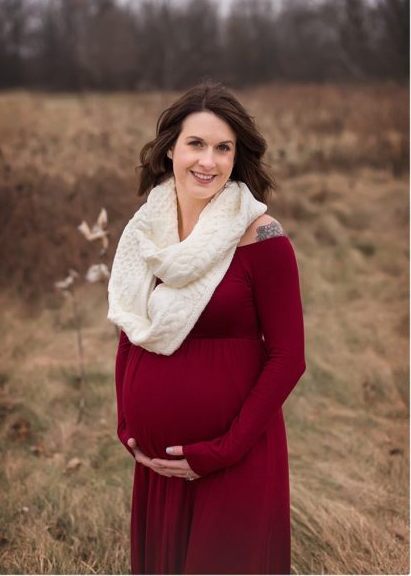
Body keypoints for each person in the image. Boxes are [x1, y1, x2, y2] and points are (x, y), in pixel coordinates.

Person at [107, 81, 305, 574]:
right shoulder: (146, 233)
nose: (208, 161)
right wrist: (127, 425)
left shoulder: (263, 238)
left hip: (232, 461)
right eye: (196, 144)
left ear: (238, 158)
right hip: (159, 467)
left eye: (223, 148)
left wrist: (222, 451)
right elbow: (131, 328)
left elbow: (288, 358)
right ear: (170, 147)